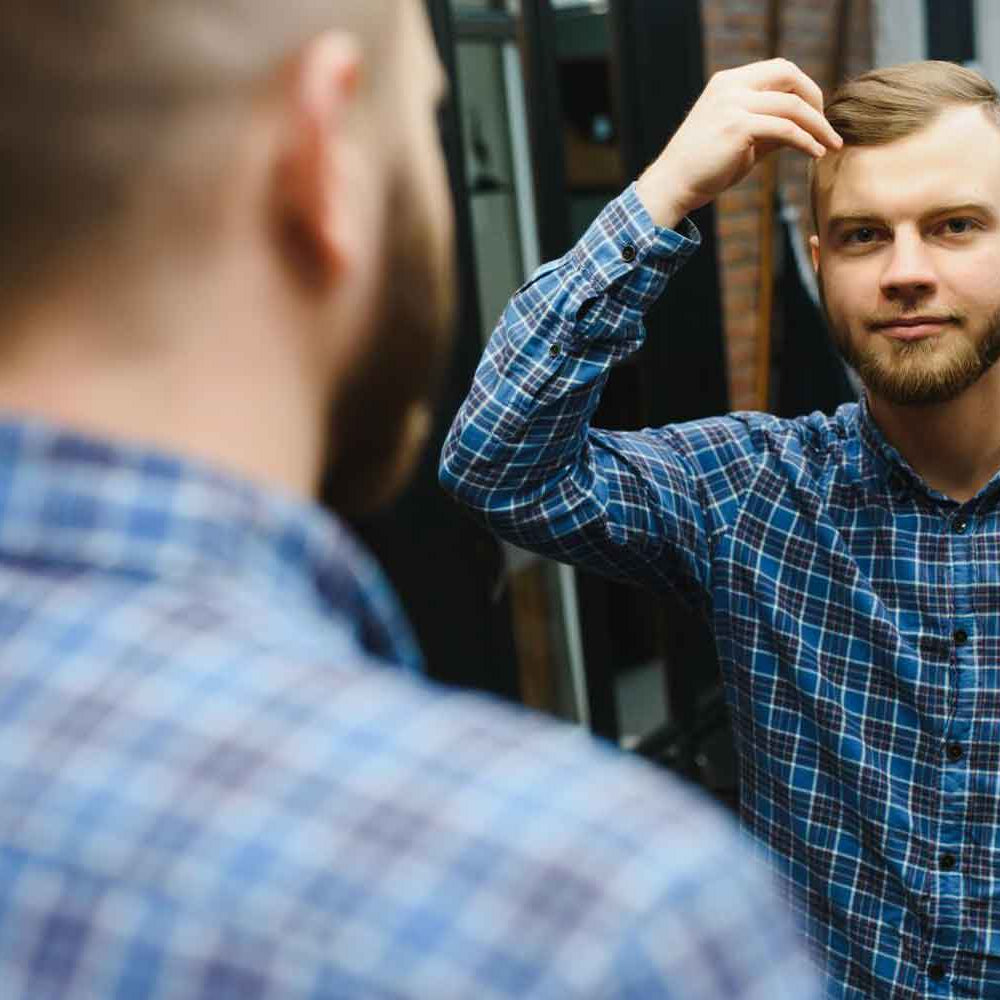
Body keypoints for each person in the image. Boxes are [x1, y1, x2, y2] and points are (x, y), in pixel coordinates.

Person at [0, 4, 819, 998]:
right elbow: (502, 461)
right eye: (426, 120)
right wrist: (655, 201)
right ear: (323, 159)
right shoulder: (595, 917)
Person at [441, 56, 1000, 998]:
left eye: (955, 226)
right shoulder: (752, 491)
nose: (907, 272)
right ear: (819, 263)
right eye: (864, 236)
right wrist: (662, 194)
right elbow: (497, 460)